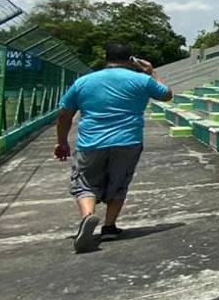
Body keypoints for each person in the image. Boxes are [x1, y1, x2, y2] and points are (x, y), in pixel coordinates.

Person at [54, 42, 173, 253]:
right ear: (131, 60)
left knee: (85, 183)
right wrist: (151, 72)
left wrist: (62, 142)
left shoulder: (83, 82)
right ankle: (109, 226)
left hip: (91, 142)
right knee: (119, 183)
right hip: (128, 141)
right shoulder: (142, 80)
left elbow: (65, 115)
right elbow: (166, 94)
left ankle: (88, 217)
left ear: (106, 58)